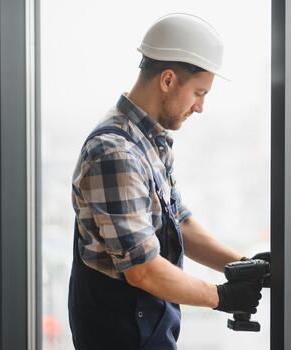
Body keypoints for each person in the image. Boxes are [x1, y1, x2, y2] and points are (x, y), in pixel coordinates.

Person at [68, 13, 270, 350]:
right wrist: (220, 297)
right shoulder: (115, 153)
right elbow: (142, 270)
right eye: (199, 92)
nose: (201, 107)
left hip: (146, 329)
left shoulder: (148, 141)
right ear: (168, 80)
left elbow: (180, 222)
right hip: (119, 336)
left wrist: (243, 267)